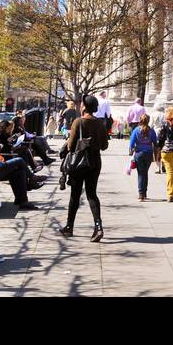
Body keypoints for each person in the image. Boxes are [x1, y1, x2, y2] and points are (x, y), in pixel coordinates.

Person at [60, 95, 110, 241]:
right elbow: (105, 146)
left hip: (79, 163)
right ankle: (98, 226)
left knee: (75, 195)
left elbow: (70, 145)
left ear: (84, 106)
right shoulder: (100, 123)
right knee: (92, 194)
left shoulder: (78, 122)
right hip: (94, 162)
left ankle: (69, 227)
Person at [128, 114, 157, 202]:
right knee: (145, 173)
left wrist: (132, 151)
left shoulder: (136, 130)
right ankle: (144, 193)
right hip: (148, 153)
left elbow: (131, 144)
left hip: (139, 154)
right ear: (148, 121)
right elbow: (155, 142)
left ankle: (141, 194)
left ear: (140, 120)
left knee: (140, 173)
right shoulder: (151, 131)